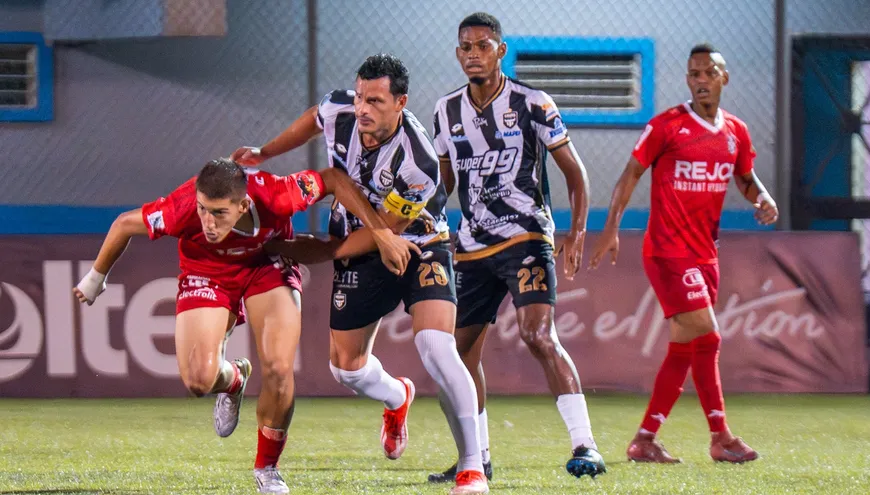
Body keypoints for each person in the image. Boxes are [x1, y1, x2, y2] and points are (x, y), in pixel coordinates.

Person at [73, 158, 417, 494]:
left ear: (244, 204)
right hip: (206, 272)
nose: (207, 221)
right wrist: (95, 279)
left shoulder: (277, 194)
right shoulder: (182, 208)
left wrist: (380, 232)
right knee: (197, 380)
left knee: (280, 369)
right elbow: (123, 224)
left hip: (266, 265)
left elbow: (333, 179)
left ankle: (267, 468)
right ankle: (234, 379)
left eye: (219, 212)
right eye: (203, 209)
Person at [232, 53, 490, 494]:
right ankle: (397, 397)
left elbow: (387, 233)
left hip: (420, 244)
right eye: (359, 97)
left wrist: (318, 252)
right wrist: (265, 152)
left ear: (400, 103)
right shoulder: (341, 111)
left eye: (374, 100)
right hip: (364, 241)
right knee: (347, 370)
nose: (362, 109)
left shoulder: (420, 164)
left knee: (435, 346)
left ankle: (472, 468)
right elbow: (315, 118)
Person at [428, 12, 605, 482]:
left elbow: (575, 172)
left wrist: (576, 232)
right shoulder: (446, 111)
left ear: (500, 50)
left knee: (538, 335)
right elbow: (444, 179)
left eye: (482, 46)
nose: (473, 54)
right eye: (465, 47)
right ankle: (477, 458)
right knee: (456, 352)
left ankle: (585, 445)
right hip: (470, 246)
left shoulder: (532, 102)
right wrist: (422, 218)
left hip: (526, 235)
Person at [589, 43, 778, 463]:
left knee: (685, 347)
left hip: (705, 254)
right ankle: (722, 436)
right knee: (708, 336)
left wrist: (761, 197)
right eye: (694, 74)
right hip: (667, 252)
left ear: (724, 77)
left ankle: (644, 440)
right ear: (688, 80)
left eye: (709, 72)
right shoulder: (667, 126)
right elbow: (629, 175)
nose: (701, 80)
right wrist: (610, 230)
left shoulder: (735, 132)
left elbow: (744, 178)